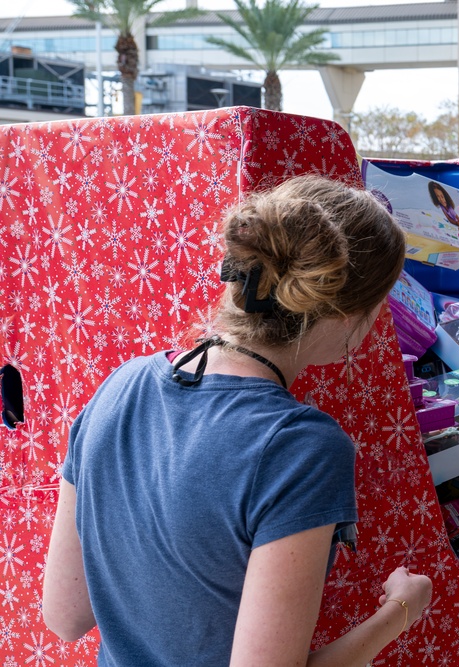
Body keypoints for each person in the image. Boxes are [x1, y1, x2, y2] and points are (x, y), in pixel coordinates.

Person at [43, 175, 433, 666]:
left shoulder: (121, 385)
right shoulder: (301, 446)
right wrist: (400, 610)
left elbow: (64, 615)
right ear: (349, 314)